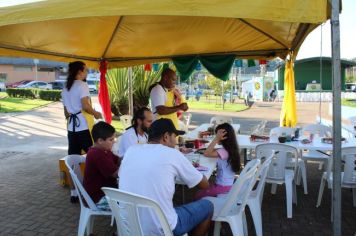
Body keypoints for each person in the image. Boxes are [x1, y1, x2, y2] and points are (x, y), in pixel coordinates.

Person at [119, 119, 213, 236]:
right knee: (208, 206)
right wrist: (195, 171)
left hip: (129, 226)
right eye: (175, 137)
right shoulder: (172, 154)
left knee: (170, 205)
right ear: (166, 137)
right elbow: (204, 185)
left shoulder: (131, 150)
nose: (175, 142)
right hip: (163, 228)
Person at [61, 61, 102, 203]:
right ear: (79, 71)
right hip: (83, 126)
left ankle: (74, 193)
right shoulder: (82, 85)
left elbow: (66, 112)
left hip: (71, 128)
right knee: (93, 157)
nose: (87, 72)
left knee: (73, 160)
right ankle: (94, 189)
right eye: (85, 70)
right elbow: (85, 106)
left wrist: (72, 114)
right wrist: (96, 113)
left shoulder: (66, 87)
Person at [195, 123, 241, 199]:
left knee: (198, 195)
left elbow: (207, 153)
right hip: (227, 184)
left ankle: (206, 208)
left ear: (223, 137)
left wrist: (216, 139)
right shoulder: (231, 149)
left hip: (222, 187)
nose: (216, 136)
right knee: (203, 190)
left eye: (217, 135)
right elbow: (212, 151)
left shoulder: (224, 151)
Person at [83, 121, 120, 211]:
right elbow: (115, 174)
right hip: (98, 198)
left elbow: (118, 160)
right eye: (111, 140)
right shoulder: (97, 154)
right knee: (131, 202)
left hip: (106, 192)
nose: (114, 142)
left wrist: (128, 157)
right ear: (100, 141)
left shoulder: (104, 150)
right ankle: (126, 224)